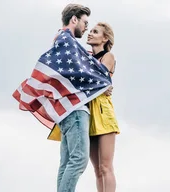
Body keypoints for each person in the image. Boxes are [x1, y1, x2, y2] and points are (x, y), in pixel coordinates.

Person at [53, 4, 93, 192]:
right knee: (79, 159)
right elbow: (79, 71)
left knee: (67, 161)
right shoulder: (67, 41)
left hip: (65, 110)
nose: (86, 28)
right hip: (75, 108)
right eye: (85, 22)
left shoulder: (59, 39)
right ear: (74, 19)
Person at [86, 22, 119, 192]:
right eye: (90, 30)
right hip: (88, 112)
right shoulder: (85, 58)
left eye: (95, 32)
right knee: (97, 169)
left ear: (105, 38)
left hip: (103, 112)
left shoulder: (109, 56)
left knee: (106, 166)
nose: (90, 33)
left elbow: (98, 77)